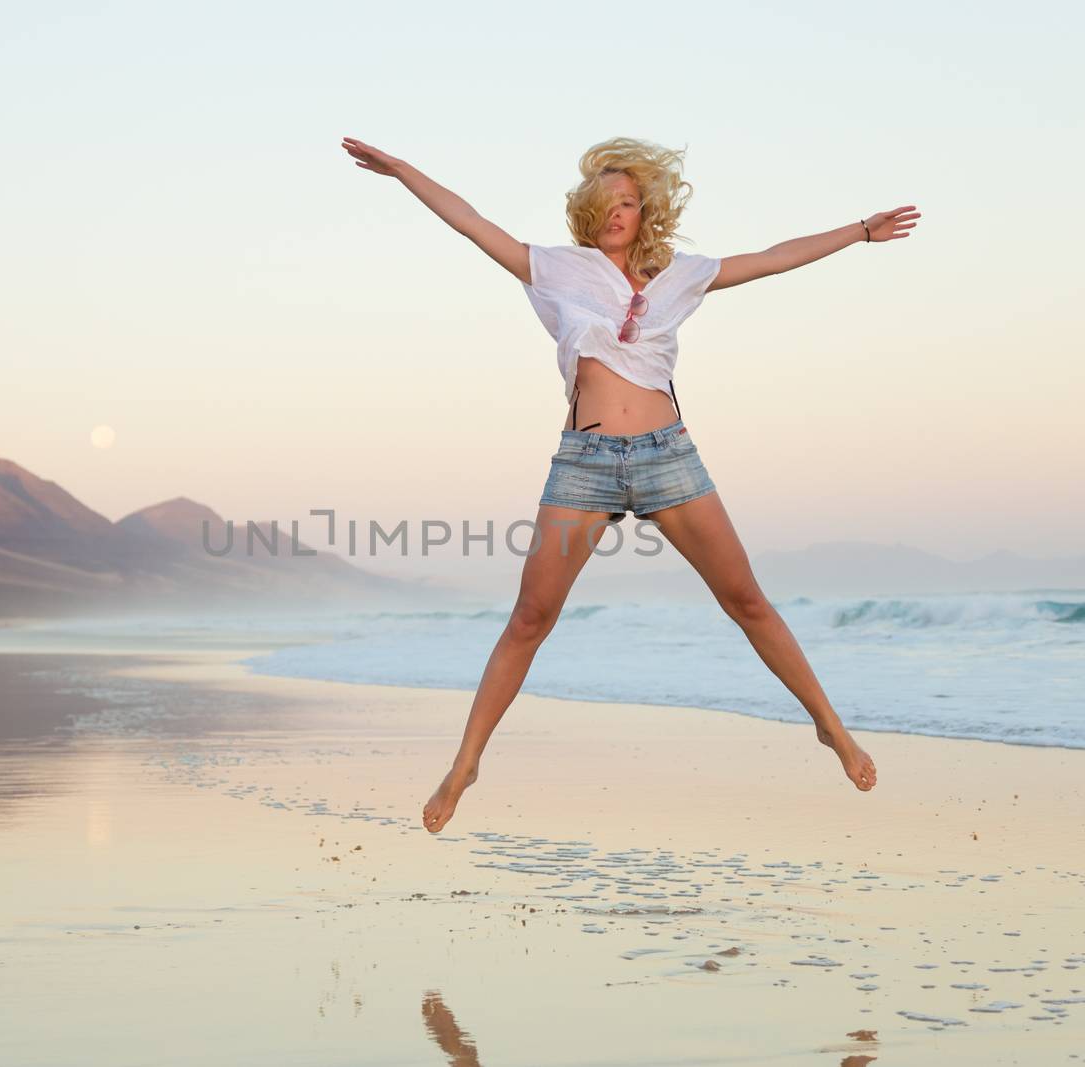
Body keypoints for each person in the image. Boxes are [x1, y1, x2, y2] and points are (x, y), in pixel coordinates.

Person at [339, 135, 920, 833]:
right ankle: (465, 763)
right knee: (530, 619)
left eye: (630, 202)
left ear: (648, 213)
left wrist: (860, 232)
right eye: (607, 202)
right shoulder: (556, 270)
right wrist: (404, 172)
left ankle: (831, 725)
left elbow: (771, 258)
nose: (618, 212)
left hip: (666, 455)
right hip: (584, 462)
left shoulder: (678, 276)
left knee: (746, 599)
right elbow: (470, 222)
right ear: (588, 211)